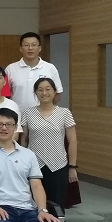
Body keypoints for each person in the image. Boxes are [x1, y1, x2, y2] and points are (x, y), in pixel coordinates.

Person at [20, 78, 77, 209]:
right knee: (34, 204)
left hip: (58, 165)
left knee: (57, 206)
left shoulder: (65, 113)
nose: (44, 93)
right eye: (40, 90)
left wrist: (72, 167)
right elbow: (24, 139)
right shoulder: (28, 113)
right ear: (35, 93)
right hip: (34, 164)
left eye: (48, 89)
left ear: (55, 91)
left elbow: (73, 141)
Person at [5, 32, 64, 112]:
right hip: (16, 115)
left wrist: (45, 109)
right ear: (21, 48)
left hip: (42, 115)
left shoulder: (50, 68)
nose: (30, 48)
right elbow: (4, 95)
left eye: (34, 45)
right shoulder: (10, 69)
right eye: (26, 45)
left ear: (39, 48)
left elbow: (57, 94)